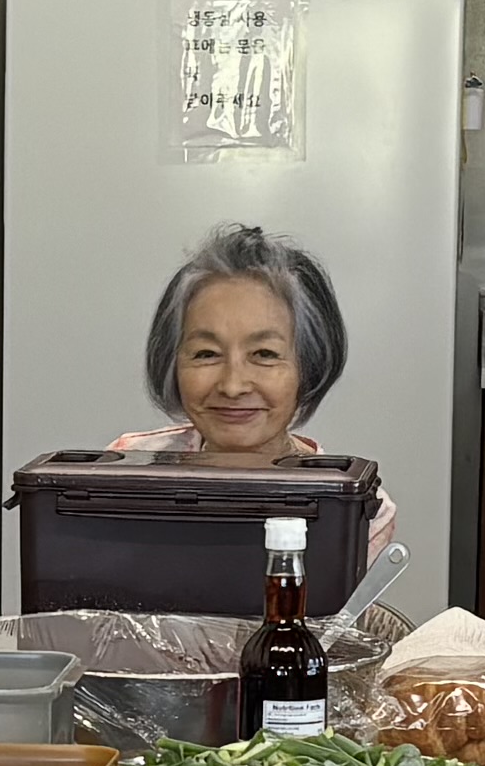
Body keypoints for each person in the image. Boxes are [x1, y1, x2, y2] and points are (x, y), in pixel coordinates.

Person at [93, 222, 399, 565]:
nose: (233, 385)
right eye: (206, 354)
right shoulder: (125, 470)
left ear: (309, 365)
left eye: (264, 354)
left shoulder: (356, 510)